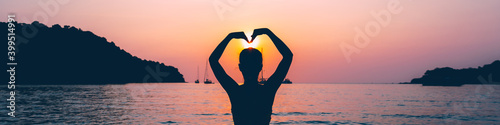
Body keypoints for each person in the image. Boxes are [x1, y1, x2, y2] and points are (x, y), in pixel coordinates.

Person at [209, 28, 293, 125]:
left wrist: (230, 36)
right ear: (260, 67)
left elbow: (213, 60)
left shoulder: (235, 91)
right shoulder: (268, 90)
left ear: (240, 67)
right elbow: (288, 56)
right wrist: (267, 32)